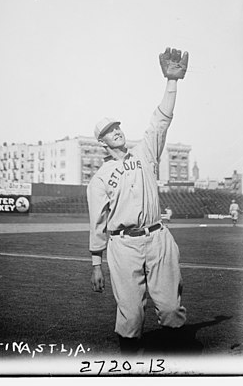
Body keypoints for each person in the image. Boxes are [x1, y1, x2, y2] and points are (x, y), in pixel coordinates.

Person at [87, 47, 188, 355]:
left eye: (116, 127)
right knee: (131, 316)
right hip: (123, 245)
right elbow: (97, 224)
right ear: (102, 142)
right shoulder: (100, 178)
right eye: (108, 131)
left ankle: (174, 366)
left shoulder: (145, 153)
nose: (115, 132)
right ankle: (130, 369)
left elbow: (161, 121)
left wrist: (172, 82)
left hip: (158, 237)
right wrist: (96, 264)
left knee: (171, 309)